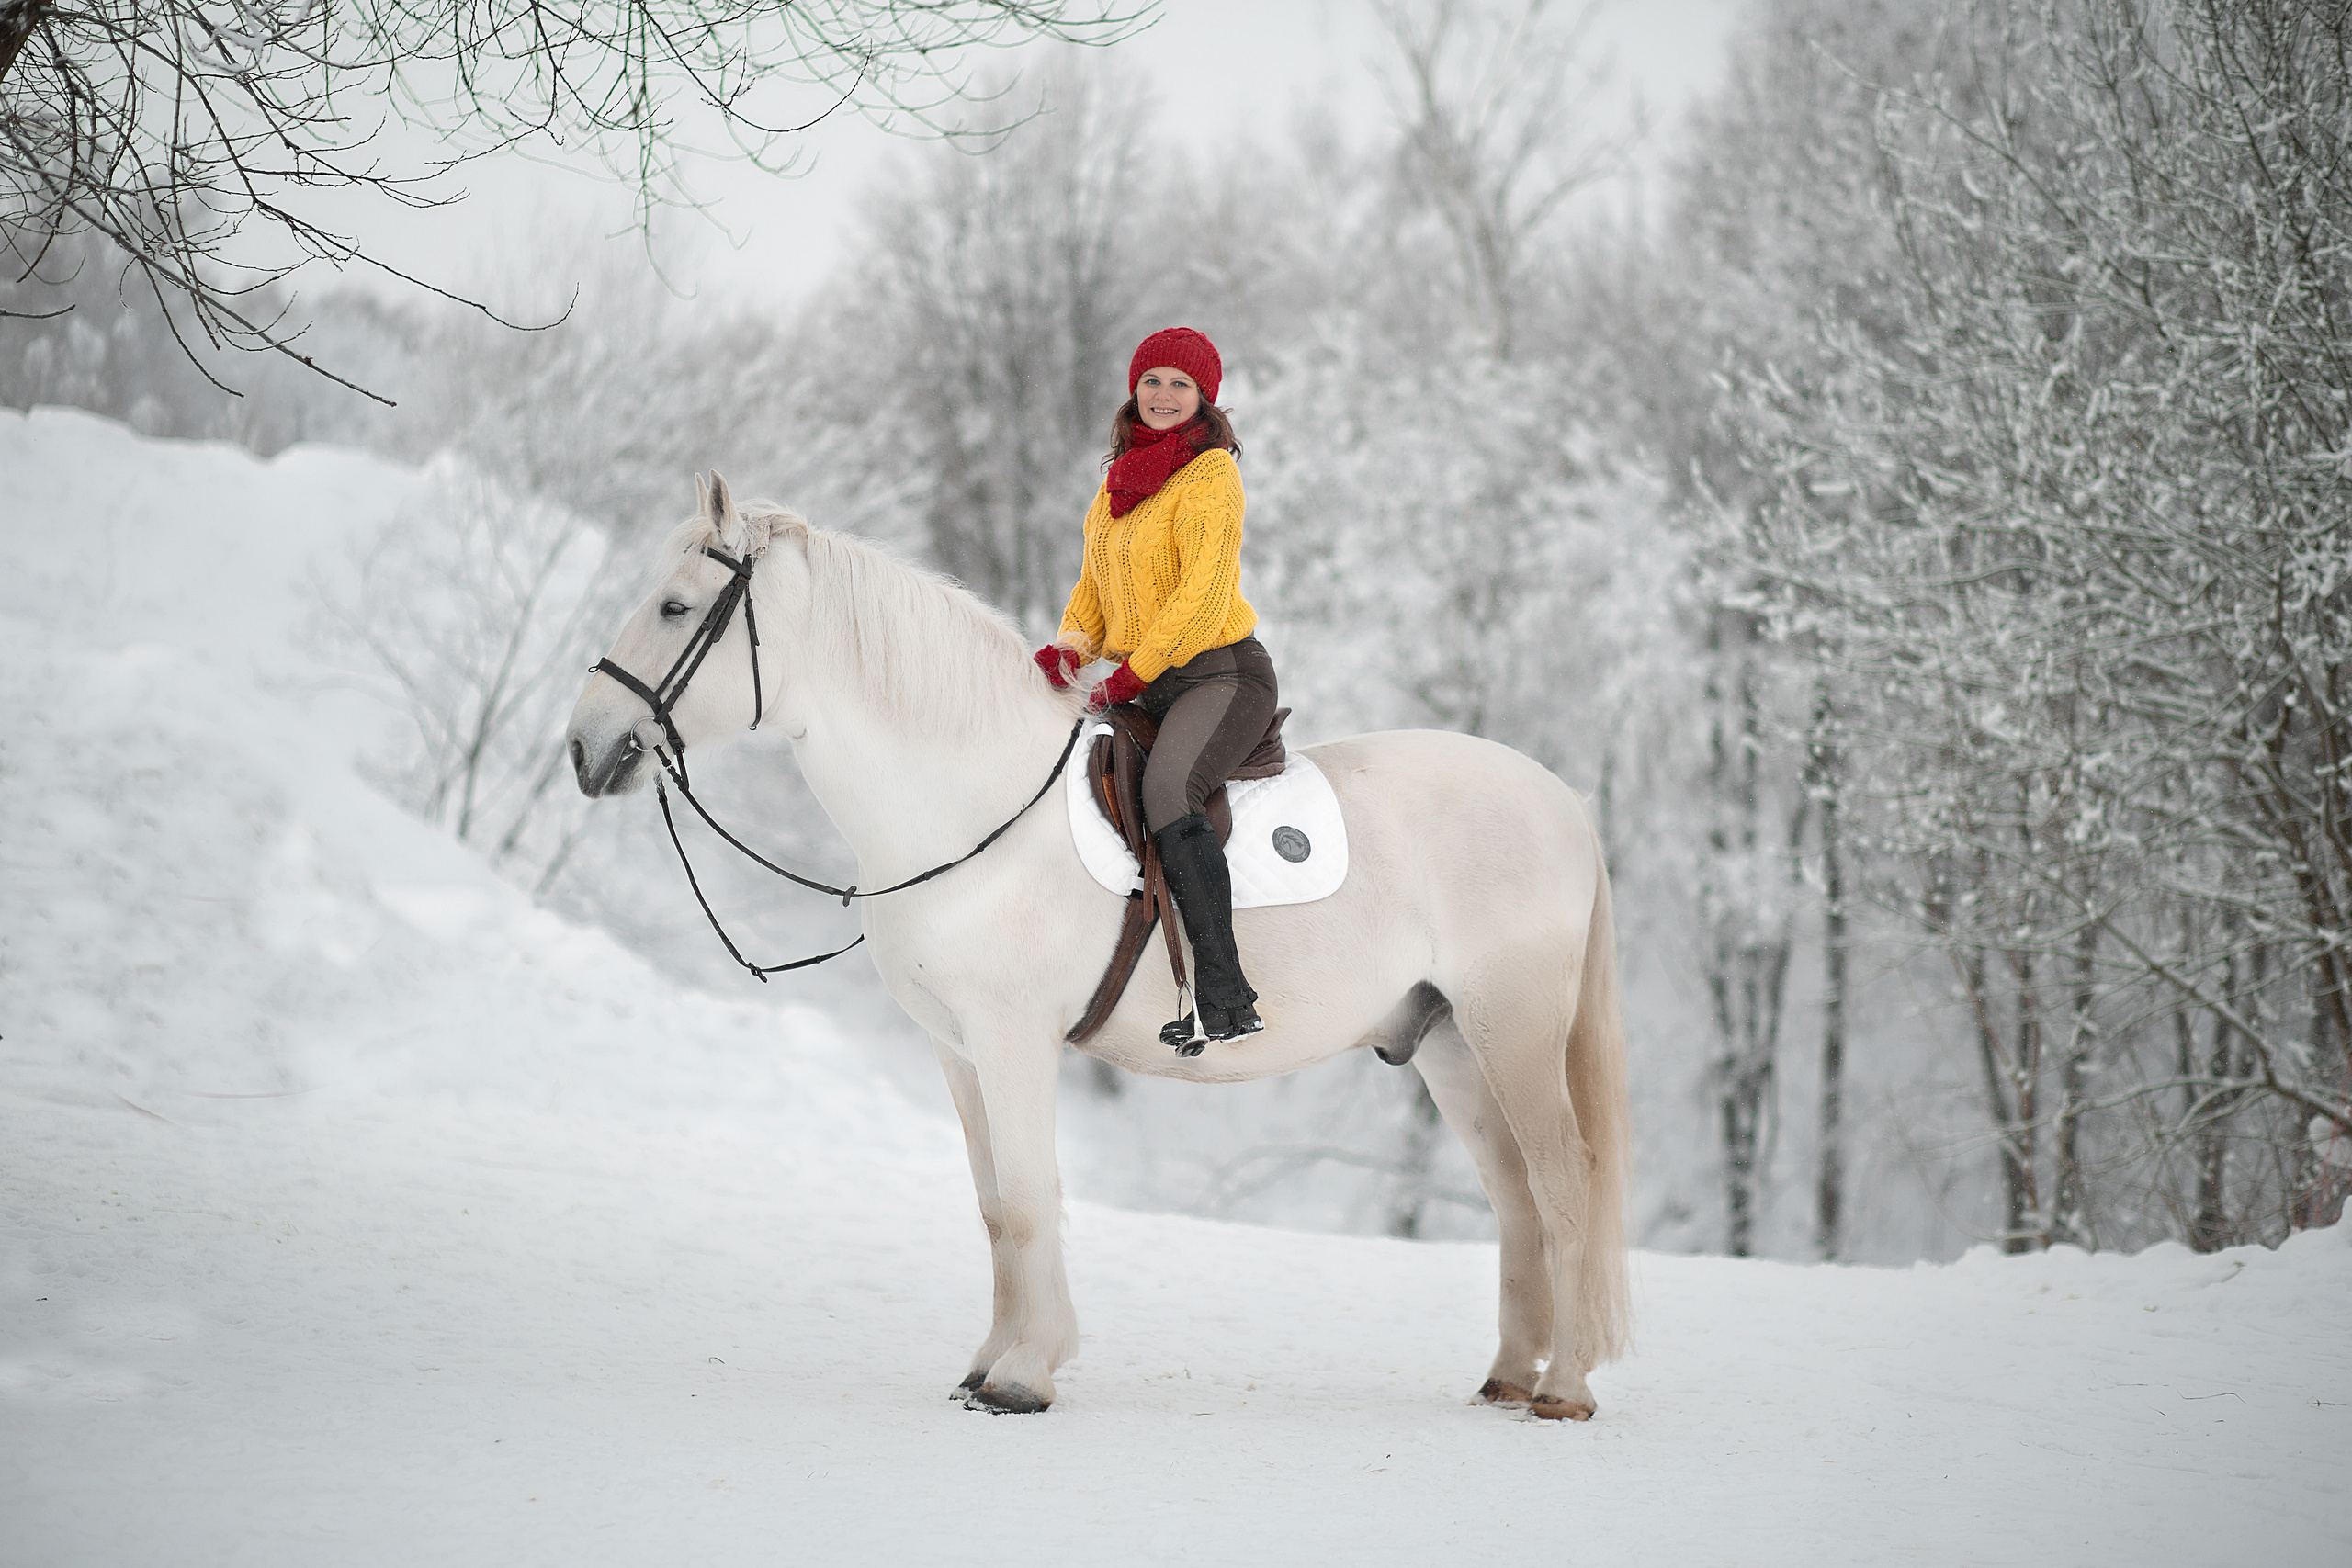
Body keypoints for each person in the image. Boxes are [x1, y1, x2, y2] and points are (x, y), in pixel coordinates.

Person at [1034, 327, 1277, 1052]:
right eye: (1152, 381)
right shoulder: (1118, 481)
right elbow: (1093, 589)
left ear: (1204, 397)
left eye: (1181, 384)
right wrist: (1071, 646)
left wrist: (1135, 670)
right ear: (1133, 389)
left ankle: (1226, 998)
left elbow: (1201, 595)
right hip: (1141, 680)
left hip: (1219, 673)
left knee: (1167, 791)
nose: (1164, 395)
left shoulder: (1212, 478)